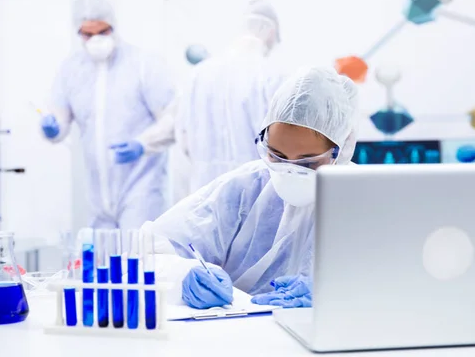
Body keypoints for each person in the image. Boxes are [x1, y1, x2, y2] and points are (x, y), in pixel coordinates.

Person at [142, 66, 359, 309]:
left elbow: (399, 282)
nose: (290, 171)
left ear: (343, 147)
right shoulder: (244, 189)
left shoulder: (365, 200)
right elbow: (149, 253)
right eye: (277, 156)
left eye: (307, 162)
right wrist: (183, 274)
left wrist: (338, 295)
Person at [41, 0, 177, 231]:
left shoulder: (143, 65)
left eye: (102, 32)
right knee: (103, 262)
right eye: (88, 34)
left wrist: (142, 144)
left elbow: (174, 119)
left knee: (141, 259)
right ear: (79, 33)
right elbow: (60, 120)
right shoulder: (71, 70)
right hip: (97, 196)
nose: (96, 39)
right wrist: (52, 128)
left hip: (141, 188)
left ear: (113, 27)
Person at [175, 0, 284, 195]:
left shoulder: (198, 74)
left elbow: (183, 140)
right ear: (271, 32)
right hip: (254, 194)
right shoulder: (271, 75)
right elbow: (280, 144)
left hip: (203, 196)